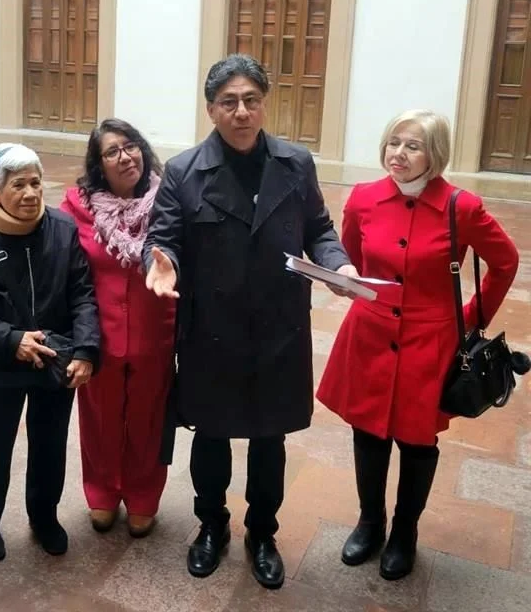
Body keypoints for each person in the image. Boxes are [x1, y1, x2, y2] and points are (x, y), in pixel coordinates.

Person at [142, 53, 355, 589]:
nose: (241, 111)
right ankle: (211, 525)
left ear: (264, 104)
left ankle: (263, 533)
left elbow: (319, 228)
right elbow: (163, 238)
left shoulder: (295, 163)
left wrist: (338, 265)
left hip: (278, 328)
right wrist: (160, 263)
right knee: (211, 436)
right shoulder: (184, 170)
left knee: (269, 440)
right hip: (211, 331)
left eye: (251, 100)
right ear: (211, 109)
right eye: (229, 102)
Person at [317, 109, 519, 580]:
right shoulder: (363, 198)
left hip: (430, 342)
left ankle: (404, 532)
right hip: (370, 333)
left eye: (413, 146)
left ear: (436, 154)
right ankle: (370, 522)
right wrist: (343, 282)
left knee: (417, 438)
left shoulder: (461, 207)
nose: (399, 154)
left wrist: (471, 318)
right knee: (368, 431)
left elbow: (505, 262)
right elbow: (351, 258)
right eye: (394, 142)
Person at [0, 143, 100, 562]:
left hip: (54, 364)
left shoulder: (63, 230)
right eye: (18, 185)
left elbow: (83, 295)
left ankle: (44, 516)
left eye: (35, 182)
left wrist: (86, 350)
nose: (30, 193)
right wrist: (12, 339)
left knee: (50, 445)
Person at [59, 119, 176, 537]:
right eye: (112, 151)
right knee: (99, 420)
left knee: (148, 420)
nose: (125, 157)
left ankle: (144, 496)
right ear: (99, 165)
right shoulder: (77, 208)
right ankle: (102, 491)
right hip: (99, 336)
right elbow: (43, 237)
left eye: (130, 146)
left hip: (154, 332)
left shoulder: (168, 203)